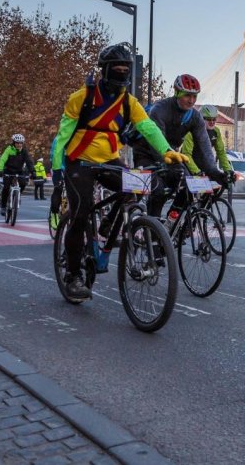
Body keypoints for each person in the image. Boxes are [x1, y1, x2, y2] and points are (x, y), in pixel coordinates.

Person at [52, 44, 189, 302]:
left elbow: (147, 127)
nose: (121, 73)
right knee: (80, 214)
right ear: (103, 70)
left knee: (134, 189)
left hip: (109, 160)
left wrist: (166, 151)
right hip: (78, 162)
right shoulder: (81, 97)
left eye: (126, 69)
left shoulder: (128, 101)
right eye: (116, 68)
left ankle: (106, 228)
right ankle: (72, 276)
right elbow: (62, 137)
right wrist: (58, 170)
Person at [130, 73, 228, 222]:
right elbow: (156, 145)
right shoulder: (159, 109)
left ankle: (170, 222)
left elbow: (205, 148)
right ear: (176, 92)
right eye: (187, 95)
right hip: (146, 152)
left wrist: (216, 173)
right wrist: (167, 165)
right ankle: (151, 232)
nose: (192, 100)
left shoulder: (195, 117)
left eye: (195, 96)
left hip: (172, 156)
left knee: (190, 186)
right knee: (158, 190)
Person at [181, 104, 235, 182]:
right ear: (201, 119)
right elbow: (186, 154)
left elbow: (221, 152)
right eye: (209, 119)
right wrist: (196, 172)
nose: (212, 122)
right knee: (188, 191)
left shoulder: (216, 132)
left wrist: (228, 169)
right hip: (189, 165)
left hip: (205, 165)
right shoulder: (191, 131)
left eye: (214, 119)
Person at [0, 134, 34, 214]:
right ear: (14, 143)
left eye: (21, 143)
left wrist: (33, 171)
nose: (19, 145)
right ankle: (3, 206)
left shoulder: (24, 151)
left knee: (23, 183)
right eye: (17, 143)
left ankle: (17, 195)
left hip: (19, 171)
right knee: (6, 187)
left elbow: (29, 161)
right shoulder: (9, 149)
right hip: (8, 171)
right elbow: (2, 159)